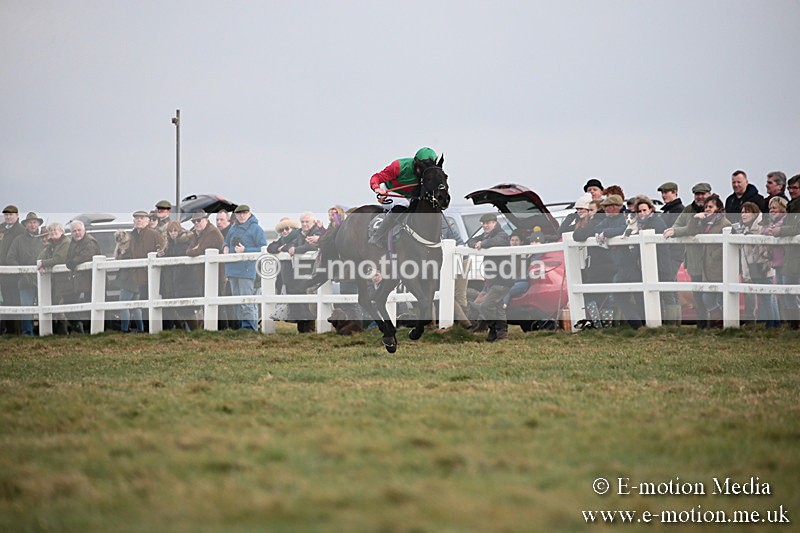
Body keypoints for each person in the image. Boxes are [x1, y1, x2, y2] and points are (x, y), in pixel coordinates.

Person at [664, 182, 713, 327]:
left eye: (702, 194)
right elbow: (677, 226)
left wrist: (678, 231)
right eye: (697, 194)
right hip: (694, 259)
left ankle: (716, 325)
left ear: (709, 194)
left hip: (712, 260)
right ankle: (702, 325)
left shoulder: (715, 209)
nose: (700, 197)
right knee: (697, 295)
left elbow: (693, 230)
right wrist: (677, 230)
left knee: (712, 295)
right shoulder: (688, 210)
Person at [368, 147, 439, 246]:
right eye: (422, 169)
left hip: (410, 196)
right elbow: (377, 177)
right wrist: (377, 188)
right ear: (416, 163)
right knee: (404, 204)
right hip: (391, 192)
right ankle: (377, 236)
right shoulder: (398, 166)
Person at [684, 194, 731, 328]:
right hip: (706, 266)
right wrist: (695, 219)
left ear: (718, 208)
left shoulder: (725, 224)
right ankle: (717, 322)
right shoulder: (704, 223)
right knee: (707, 297)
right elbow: (691, 231)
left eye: (711, 207)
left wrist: (713, 255)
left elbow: (727, 246)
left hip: (718, 266)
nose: (707, 209)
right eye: (706, 207)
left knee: (717, 297)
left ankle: (722, 325)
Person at [467, 213, 512, 341]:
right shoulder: (487, 235)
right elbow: (470, 241)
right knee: (498, 305)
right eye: (483, 223)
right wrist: (477, 243)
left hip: (502, 279)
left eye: (488, 223)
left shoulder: (501, 234)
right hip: (495, 279)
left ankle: (493, 329)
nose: (485, 226)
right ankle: (501, 333)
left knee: (486, 306)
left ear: (495, 223)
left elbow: (498, 241)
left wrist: (482, 243)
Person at [223, 204, 267, 331]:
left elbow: (263, 248)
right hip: (232, 270)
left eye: (244, 213)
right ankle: (241, 327)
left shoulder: (256, 229)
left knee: (247, 301)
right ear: (236, 215)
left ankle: (250, 328)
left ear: (249, 214)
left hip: (247, 270)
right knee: (237, 301)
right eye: (239, 213)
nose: (241, 216)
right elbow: (226, 241)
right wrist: (225, 247)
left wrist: (246, 250)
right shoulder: (233, 228)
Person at [634, 197, 677, 325]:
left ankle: (673, 324)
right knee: (655, 294)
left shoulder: (656, 222)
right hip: (649, 264)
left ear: (651, 209)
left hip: (661, 263)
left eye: (644, 210)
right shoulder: (640, 224)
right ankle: (659, 323)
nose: (642, 213)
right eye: (639, 211)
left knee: (667, 294)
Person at [735, 202, 778, 328]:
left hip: (763, 267)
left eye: (747, 212)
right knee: (765, 298)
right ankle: (773, 325)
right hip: (752, 268)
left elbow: (765, 250)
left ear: (755, 213)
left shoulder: (762, 228)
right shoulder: (745, 229)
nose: (744, 215)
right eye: (742, 212)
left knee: (767, 298)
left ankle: (773, 325)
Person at [6, 212, 45, 335]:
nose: (32, 225)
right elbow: (10, 258)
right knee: (26, 307)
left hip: (43, 278)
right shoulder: (18, 240)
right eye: (30, 222)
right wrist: (22, 271)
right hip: (25, 280)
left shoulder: (44, 239)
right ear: (26, 225)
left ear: (38, 224)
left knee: (45, 306)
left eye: (34, 222)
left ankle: (45, 332)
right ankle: (27, 333)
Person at [65, 220, 101, 333]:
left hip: (92, 279)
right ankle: (79, 327)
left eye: (79, 230)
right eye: (74, 231)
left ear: (84, 230)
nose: (77, 233)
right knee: (68, 302)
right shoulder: (73, 243)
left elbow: (86, 255)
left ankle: (96, 330)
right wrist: (70, 262)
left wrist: (72, 262)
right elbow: (68, 257)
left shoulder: (90, 241)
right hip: (78, 279)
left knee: (93, 304)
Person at [773, 174, 800, 329]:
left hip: (795, 256)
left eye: (795, 188)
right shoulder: (792, 206)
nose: (791, 191)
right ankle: (793, 324)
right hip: (790, 256)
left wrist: (781, 230)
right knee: (787, 290)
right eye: (790, 188)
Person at [130, 210, 161, 332]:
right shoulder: (132, 236)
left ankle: (152, 329)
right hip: (138, 276)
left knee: (150, 301)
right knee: (143, 302)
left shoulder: (153, 234)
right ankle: (146, 329)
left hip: (151, 275)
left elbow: (161, 250)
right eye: (136, 218)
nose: (138, 220)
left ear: (147, 221)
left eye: (141, 218)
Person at [38, 222, 71, 334]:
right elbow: (42, 256)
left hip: (65, 281)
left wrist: (43, 263)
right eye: (51, 231)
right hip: (55, 282)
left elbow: (60, 258)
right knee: (56, 308)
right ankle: (59, 333)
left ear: (61, 231)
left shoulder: (66, 243)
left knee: (61, 309)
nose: (53, 232)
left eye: (55, 230)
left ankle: (69, 332)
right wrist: (42, 264)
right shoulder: (51, 245)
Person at [762, 197, 789, 325]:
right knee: (781, 293)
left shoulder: (784, 221)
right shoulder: (774, 222)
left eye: (774, 208)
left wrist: (770, 231)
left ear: (782, 208)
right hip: (777, 262)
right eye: (770, 208)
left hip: (786, 262)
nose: (771, 210)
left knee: (789, 293)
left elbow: (770, 231)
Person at [0, 205, 25, 335]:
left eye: (11, 215)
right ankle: (9, 330)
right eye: (6, 215)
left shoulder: (20, 231)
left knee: (15, 301)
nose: (8, 217)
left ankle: (16, 331)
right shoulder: (3, 229)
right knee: (6, 300)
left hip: (14, 273)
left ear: (17, 216)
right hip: (3, 273)